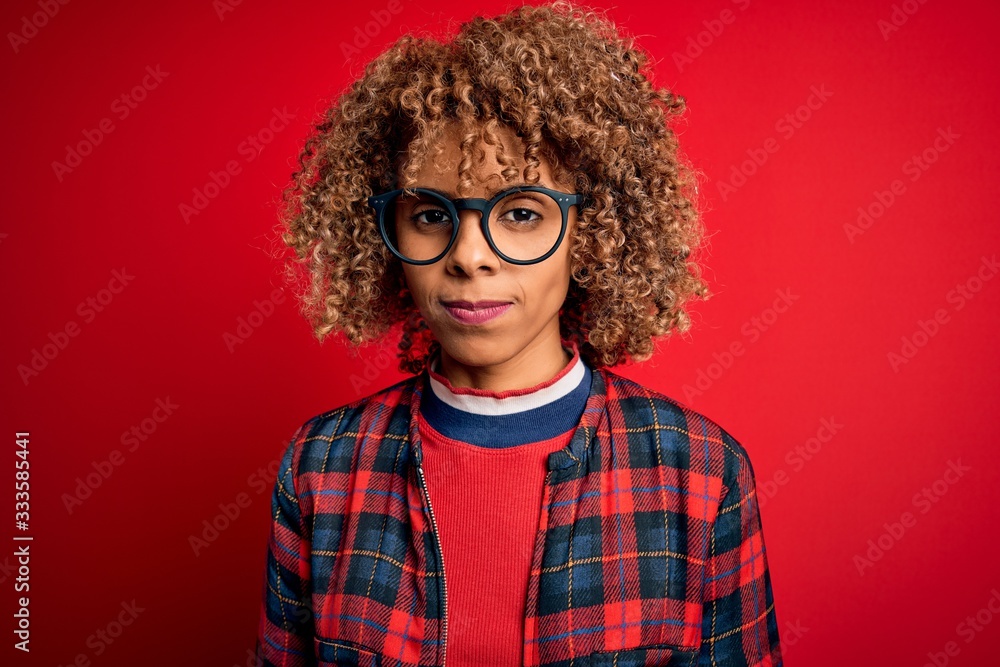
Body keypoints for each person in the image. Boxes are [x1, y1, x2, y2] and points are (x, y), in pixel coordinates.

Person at [256, 2, 783, 666]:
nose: (469, 254)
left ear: (589, 235)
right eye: (429, 213)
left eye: (522, 212)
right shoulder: (322, 467)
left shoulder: (699, 472)